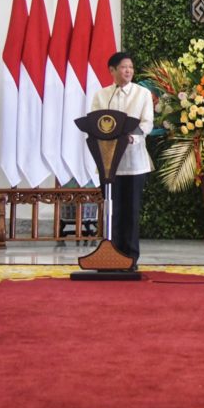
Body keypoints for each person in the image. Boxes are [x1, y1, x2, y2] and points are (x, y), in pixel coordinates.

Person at [91, 52, 153, 264]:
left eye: (131, 67)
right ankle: (111, 255)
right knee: (112, 211)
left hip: (134, 162)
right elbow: (95, 123)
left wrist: (131, 139)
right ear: (112, 70)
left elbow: (147, 124)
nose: (128, 71)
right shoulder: (102, 95)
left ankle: (130, 257)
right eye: (124, 67)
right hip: (109, 163)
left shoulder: (142, 93)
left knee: (131, 211)